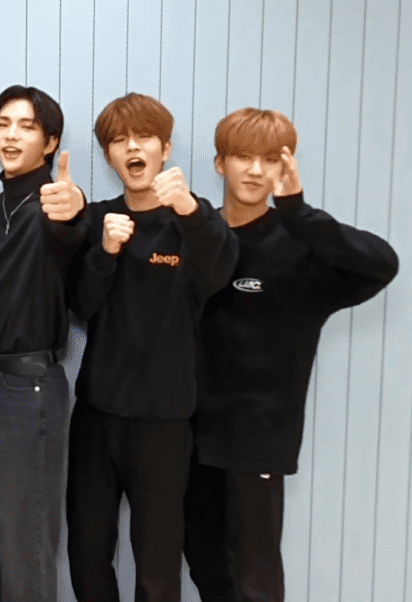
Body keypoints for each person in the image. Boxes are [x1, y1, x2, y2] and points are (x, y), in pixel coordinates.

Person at [183, 107, 399, 602]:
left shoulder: (302, 250)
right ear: (220, 163)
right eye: (243, 157)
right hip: (185, 434)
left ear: (285, 167)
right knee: (205, 569)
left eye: (270, 159)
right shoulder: (197, 235)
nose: (255, 171)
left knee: (254, 581)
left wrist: (298, 212)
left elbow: (381, 264)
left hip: (258, 441)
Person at [65, 92, 238, 602]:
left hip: (165, 423)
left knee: (158, 565)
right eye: (119, 140)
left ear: (166, 148)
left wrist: (189, 211)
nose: (132, 148)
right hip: (97, 417)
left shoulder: (196, 221)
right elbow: (80, 305)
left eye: (144, 137)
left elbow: (219, 276)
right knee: (87, 553)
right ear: (109, 155)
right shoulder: (99, 219)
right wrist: (105, 252)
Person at [0, 84, 87, 602]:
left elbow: (70, 233)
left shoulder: (55, 205)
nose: (10, 136)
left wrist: (74, 209)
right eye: (2, 124)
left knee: (25, 544)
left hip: (30, 388)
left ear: (50, 142)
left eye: (26, 127)